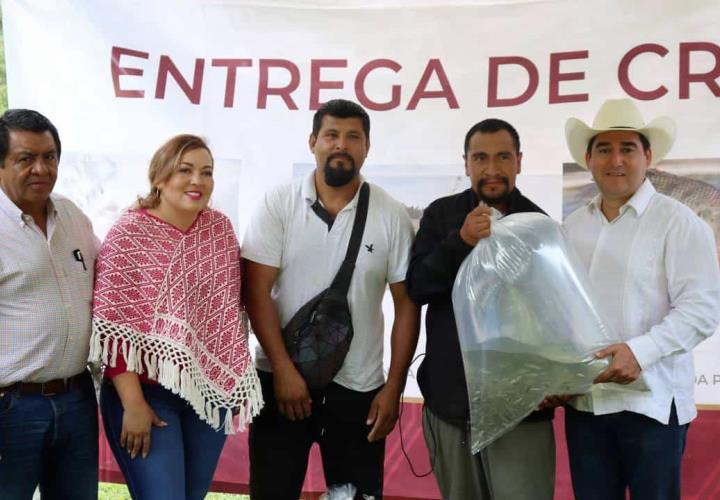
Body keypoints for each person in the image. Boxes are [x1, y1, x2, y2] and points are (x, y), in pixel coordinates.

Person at [243, 99, 419, 500]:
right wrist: (284, 370)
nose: (342, 145)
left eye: (353, 137)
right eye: (332, 135)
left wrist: (393, 387)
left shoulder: (390, 214)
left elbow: (407, 304)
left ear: (367, 147)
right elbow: (255, 291)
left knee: (356, 496)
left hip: (359, 390)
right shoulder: (279, 203)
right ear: (312, 142)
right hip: (280, 382)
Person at [562, 98, 720, 499]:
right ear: (588, 158)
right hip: (588, 405)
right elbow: (562, 309)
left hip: (653, 406)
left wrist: (639, 351)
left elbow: (702, 310)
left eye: (627, 148)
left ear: (647, 156)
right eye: (604, 149)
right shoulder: (572, 227)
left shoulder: (680, 223)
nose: (616, 160)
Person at [90, 134, 263, 500]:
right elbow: (115, 327)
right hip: (147, 394)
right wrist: (133, 405)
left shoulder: (218, 230)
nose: (197, 181)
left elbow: (224, 313)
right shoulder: (129, 234)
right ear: (160, 176)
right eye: (185, 170)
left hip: (205, 393)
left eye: (206, 172)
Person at [406, 119, 562, 499]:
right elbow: (418, 287)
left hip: (522, 409)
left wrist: (556, 379)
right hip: (451, 404)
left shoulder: (539, 224)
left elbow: (557, 316)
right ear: (466, 164)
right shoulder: (442, 216)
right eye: (480, 158)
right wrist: (460, 241)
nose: (492, 169)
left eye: (502, 157)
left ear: (519, 161)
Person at [0, 109, 99, 500]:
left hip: (76, 399)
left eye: (50, 156)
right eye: (25, 159)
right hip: (12, 408)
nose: (41, 168)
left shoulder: (72, 215)